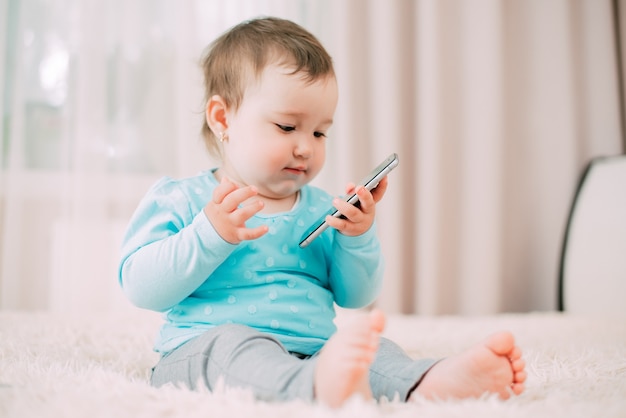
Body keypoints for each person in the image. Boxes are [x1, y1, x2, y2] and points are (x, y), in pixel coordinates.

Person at [118, 16, 526, 407]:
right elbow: (141, 286)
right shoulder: (183, 199)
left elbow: (356, 296)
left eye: (319, 132)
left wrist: (357, 238)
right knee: (233, 348)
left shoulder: (321, 208)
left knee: (373, 349)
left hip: (314, 352)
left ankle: (426, 381)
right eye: (286, 127)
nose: (306, 147)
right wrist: (209, 234)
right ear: (223, 118)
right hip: (203, 349)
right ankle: (314, 388)